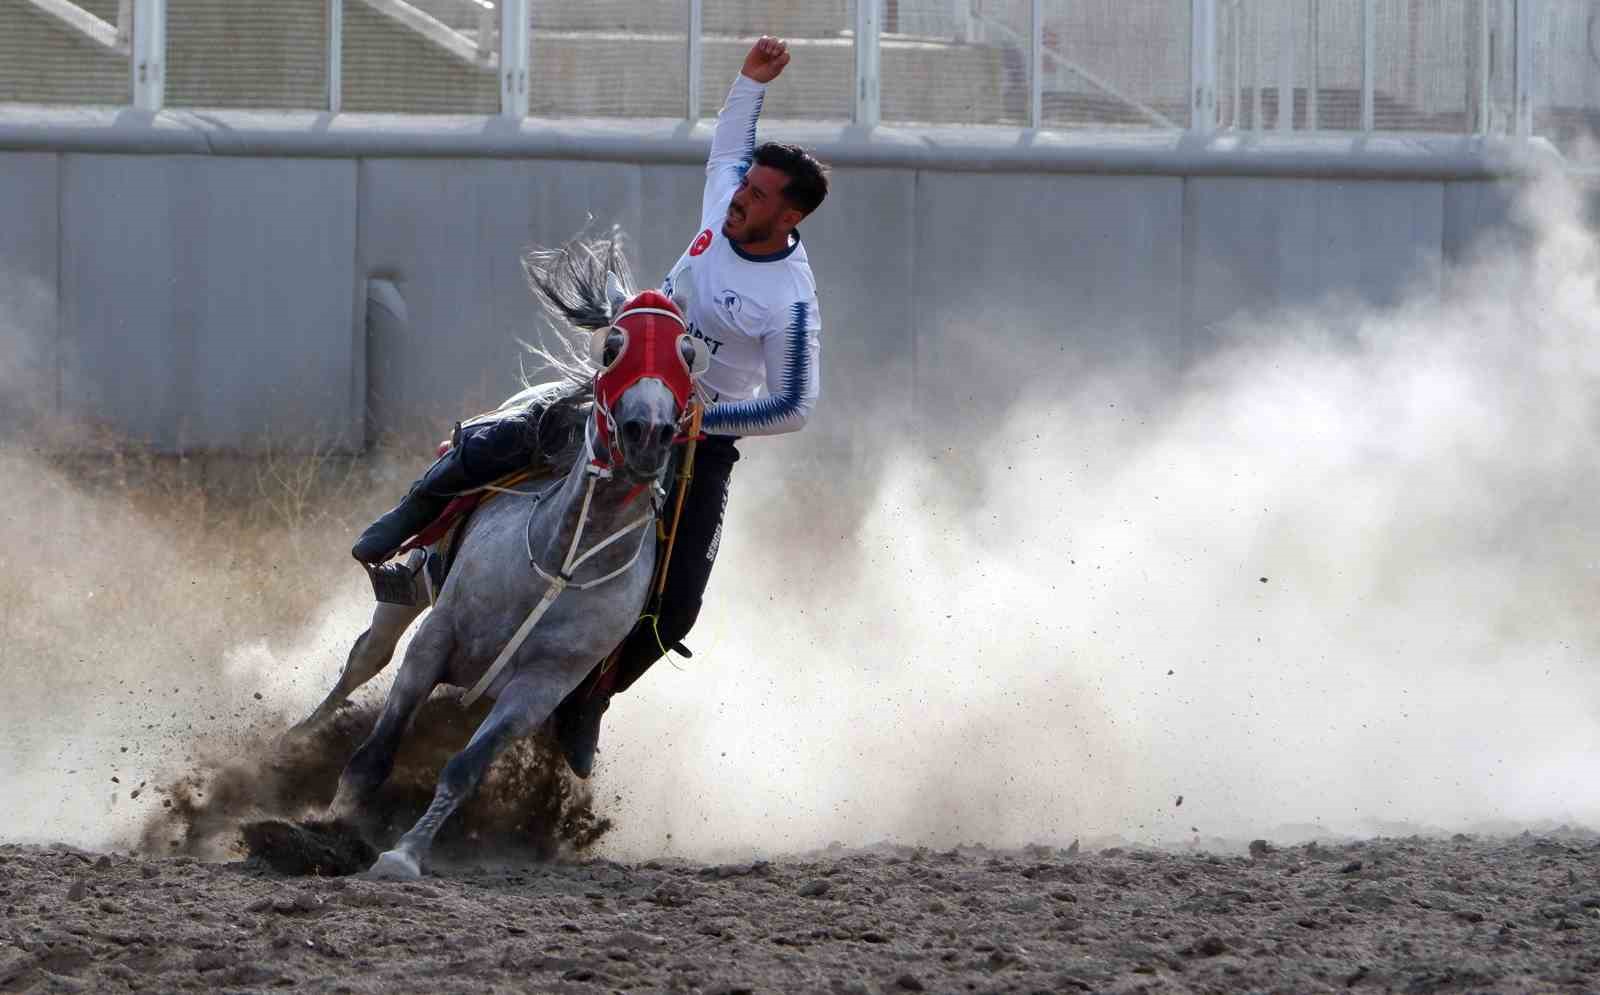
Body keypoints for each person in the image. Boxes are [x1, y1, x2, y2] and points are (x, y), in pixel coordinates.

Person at [350, 36, 829, 777]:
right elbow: (730, 142)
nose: (740, 197)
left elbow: (796, 403)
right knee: (506, 437)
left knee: (676, 614)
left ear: (791, 214)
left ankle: (589, 693)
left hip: (696, 437)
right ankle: (408, 528)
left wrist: (707, 421)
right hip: (627, 384)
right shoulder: (725, 197)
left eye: (759, 196)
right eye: (745, 186)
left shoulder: (790, 299)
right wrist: (749, 81)